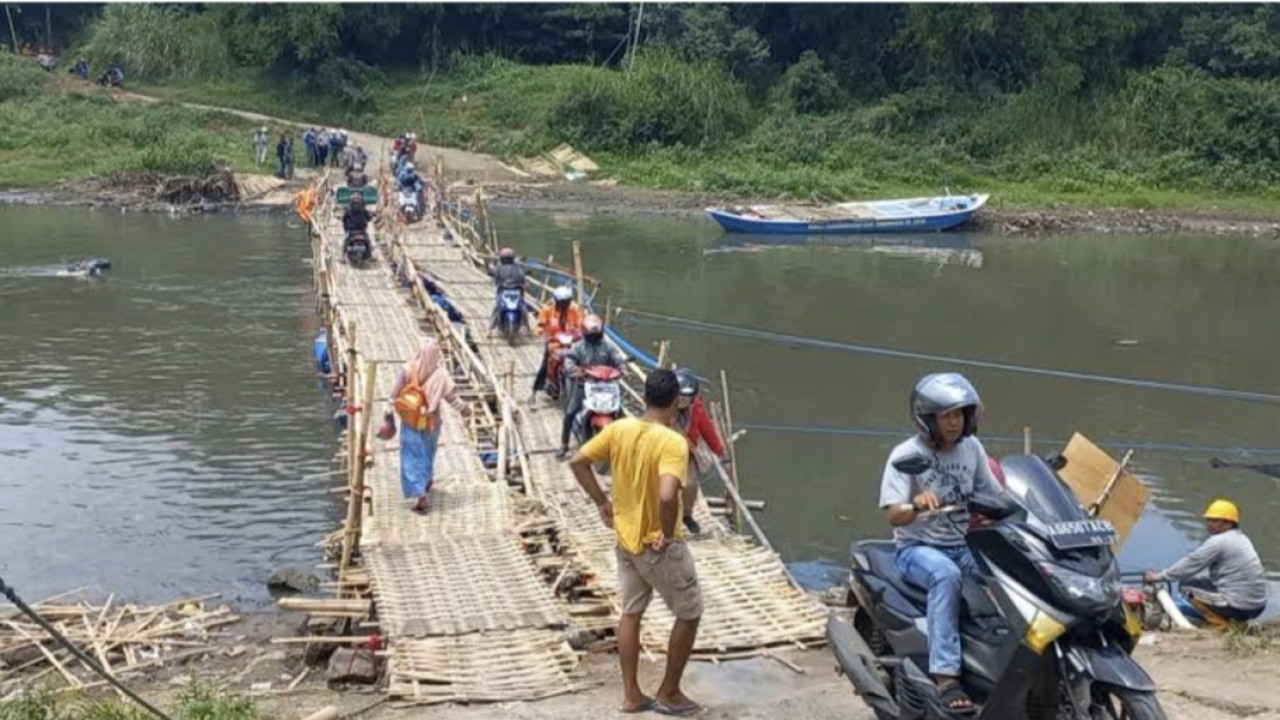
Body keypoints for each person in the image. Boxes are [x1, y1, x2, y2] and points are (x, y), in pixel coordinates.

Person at [568, 369, 704, 717]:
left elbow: (578, 461)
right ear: (676, 402)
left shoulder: (620, 429)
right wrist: (666, 534)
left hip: (625, 540)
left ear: (644, 398)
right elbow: (668, 494)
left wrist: (602, 501)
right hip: (657, 545)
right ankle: (669, 692)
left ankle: (632, 695)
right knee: (689, 613)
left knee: (631, 613)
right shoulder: (672, 442)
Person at [879, 372, 1004, 714]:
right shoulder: (905, 454)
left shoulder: (972, 448)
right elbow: (894, 516)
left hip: (964, 544)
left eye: (959, 414)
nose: (953, 423)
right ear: (927, 419)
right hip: (917, 549)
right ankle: (946, 676)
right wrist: (917, 505)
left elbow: (995, 495)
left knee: (1005, 573)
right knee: (946, 575)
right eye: (946, 415)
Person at [1144, 499, 1267, 628]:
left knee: (1186, 585)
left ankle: (1221, 623)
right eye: (1208, 520)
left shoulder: (1219, 542)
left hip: (1239, 606)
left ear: (1228, 523)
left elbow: (1190, 564)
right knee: (1202, 581)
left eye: (1214, 521)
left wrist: (1158, 576)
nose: (1209, 524)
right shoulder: (1241, 538)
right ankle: (1229, 617)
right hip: (1257, 606)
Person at [388, 338, 470, 514]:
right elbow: (452, 398)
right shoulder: (441, 374)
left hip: (412, 422)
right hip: (432, 422)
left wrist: (388, 413)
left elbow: (393, 394)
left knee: (412, 456)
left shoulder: (408, 370)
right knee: (427, 453)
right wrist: (465, 409)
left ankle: (420, 494)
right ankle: (426, 481)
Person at [558, 314, 627, 460]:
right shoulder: (579, 347)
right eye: (591, 334)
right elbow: (569, 359)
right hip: (584, 386)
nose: (594, 337)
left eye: (596, 334)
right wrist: (573, 368)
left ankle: (626, 445)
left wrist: (622, 367)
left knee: (621, 414)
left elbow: (618, 359)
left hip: (606, 386)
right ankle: (564, 444)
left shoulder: (608, 347)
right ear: (585, 333)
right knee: (570, 413)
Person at [673, 368, 730, 535]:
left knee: (691, 484)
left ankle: (687, 515)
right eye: (679, 396)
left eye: (686, 398)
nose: (682, 401)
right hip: (664, 451)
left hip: (687, 452)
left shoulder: (696, 408)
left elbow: (707, 430)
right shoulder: (664, 407)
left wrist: (719, 451)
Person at [531, 285, 584, 398]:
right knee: (545, 364)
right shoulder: (548, 309)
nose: (563, 307)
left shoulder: (574, 309)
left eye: (566, 304)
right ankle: (539, 386)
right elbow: (540, 325)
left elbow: (581, 324)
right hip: (554, 342)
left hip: (571, 343)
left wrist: (580, 333)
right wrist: (543, 332)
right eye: (561, 304)